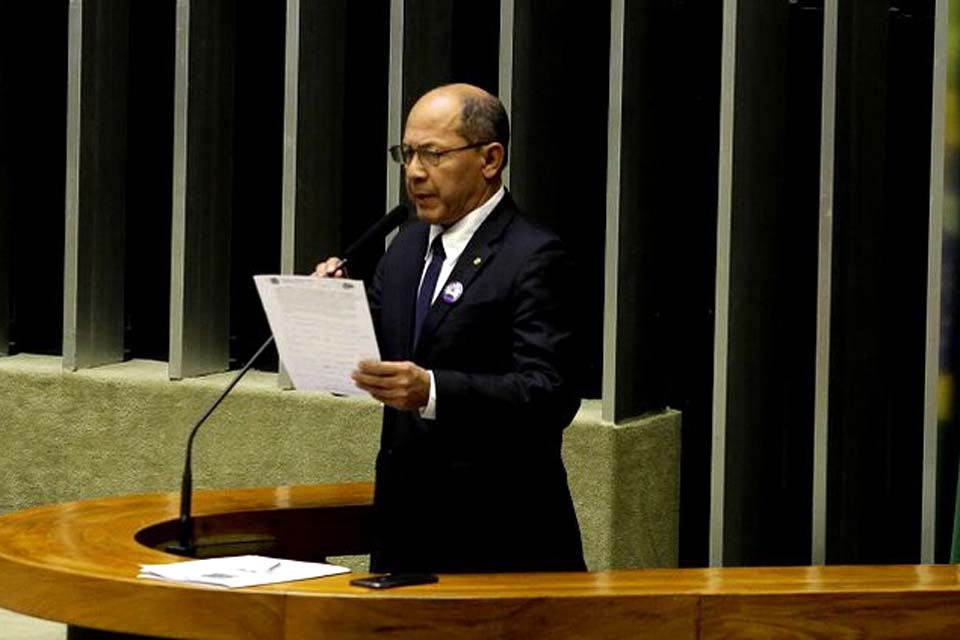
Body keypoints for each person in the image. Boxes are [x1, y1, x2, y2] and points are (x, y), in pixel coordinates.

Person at [315, 83, 584, 574]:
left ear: (490, 159)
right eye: (408, 153)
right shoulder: (405, 249)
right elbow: (380, 357)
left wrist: (433, 391)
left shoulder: (534, 256)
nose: (414, 171)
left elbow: (550, 395)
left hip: (500, 538)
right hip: (405, 531)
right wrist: (330, 309)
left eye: (433, 154)